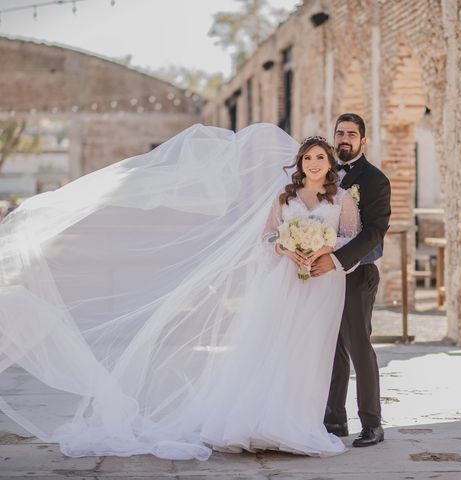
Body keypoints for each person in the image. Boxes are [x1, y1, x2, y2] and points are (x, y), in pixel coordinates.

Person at [0, 125, 360, 460]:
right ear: (300, 164)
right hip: (283, 281)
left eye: (320, 158)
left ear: (330, 164)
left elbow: (351, 238)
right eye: (308, 158)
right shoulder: (284, 197)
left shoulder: (341, 199)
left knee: (311, 352)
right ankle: (267, 424)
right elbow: (266, 237)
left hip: (323, 283)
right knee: (274, 348)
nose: (313, 164)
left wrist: (325, 251)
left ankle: (301, 423)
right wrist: (286, 248)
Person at [313, 113, 391, 447]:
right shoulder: (321, 174)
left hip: (357, 272)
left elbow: (375, 231)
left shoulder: (375, 180)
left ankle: (372, 423)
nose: (345, 139)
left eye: (352, 134)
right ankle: (334, 421)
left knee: (359, 346)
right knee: (331, 348)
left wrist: (337, 259)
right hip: (321, 276)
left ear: (363, 140)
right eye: (340, 133)